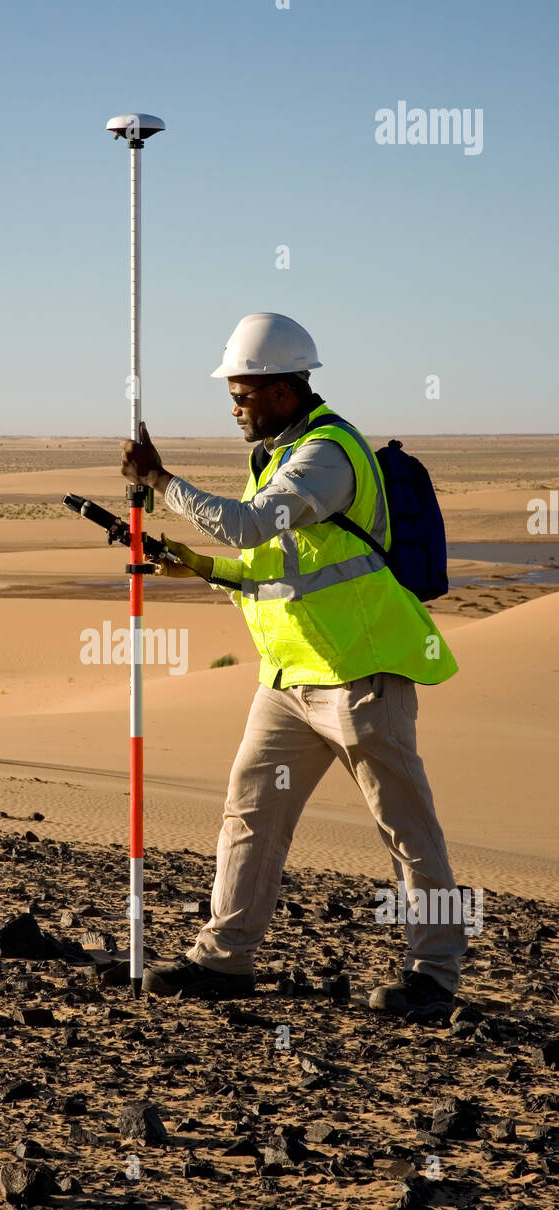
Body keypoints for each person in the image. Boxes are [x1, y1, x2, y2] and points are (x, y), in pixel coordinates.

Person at [119, 312, 466, 1019]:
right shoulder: (275, 460)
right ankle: (223, 960)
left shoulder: (326, 456)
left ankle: (434, 973)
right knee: (250, 813)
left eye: (242, 394)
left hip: (359, 674)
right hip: (288, 680)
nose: (233, 406)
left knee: (404, 828)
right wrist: (188, 561)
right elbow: (264, 568)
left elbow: (250, 527)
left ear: (281, 391)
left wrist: (160, 481)